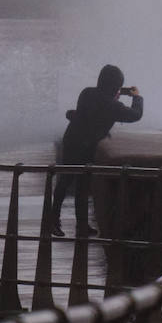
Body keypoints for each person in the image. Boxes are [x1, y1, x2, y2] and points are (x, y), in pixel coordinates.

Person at [49, 64, 143, 237]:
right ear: (116, 86)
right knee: (79, 185)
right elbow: (136, 115)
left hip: (72, 140)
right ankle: (69, 224)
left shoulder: (87, 93)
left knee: (68, 181)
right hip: (85, 145)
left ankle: (60, 221)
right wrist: (137, 97)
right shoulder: (113, 106)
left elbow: (84, 113)